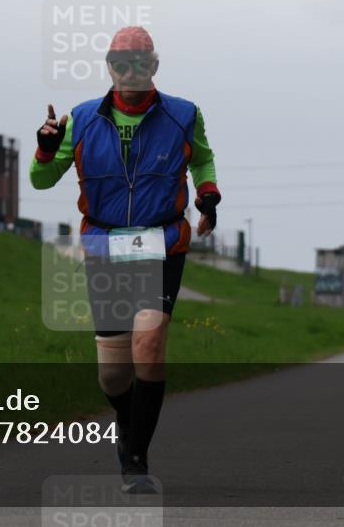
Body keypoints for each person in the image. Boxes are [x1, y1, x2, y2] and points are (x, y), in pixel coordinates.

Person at [30, 26, 220, 493]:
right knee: (113, 375)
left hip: (163, 242)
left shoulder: (183, 114)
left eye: (140, 62)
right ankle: (129, 423)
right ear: (109, 67)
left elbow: (202, 159)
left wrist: (208, 196)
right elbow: (40, 180)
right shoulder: (81, 119)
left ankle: (135, 462)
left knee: (149, 344)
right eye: (120, 63)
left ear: (154, 66)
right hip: (104, 245)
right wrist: (46, 149)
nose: (130, 71)